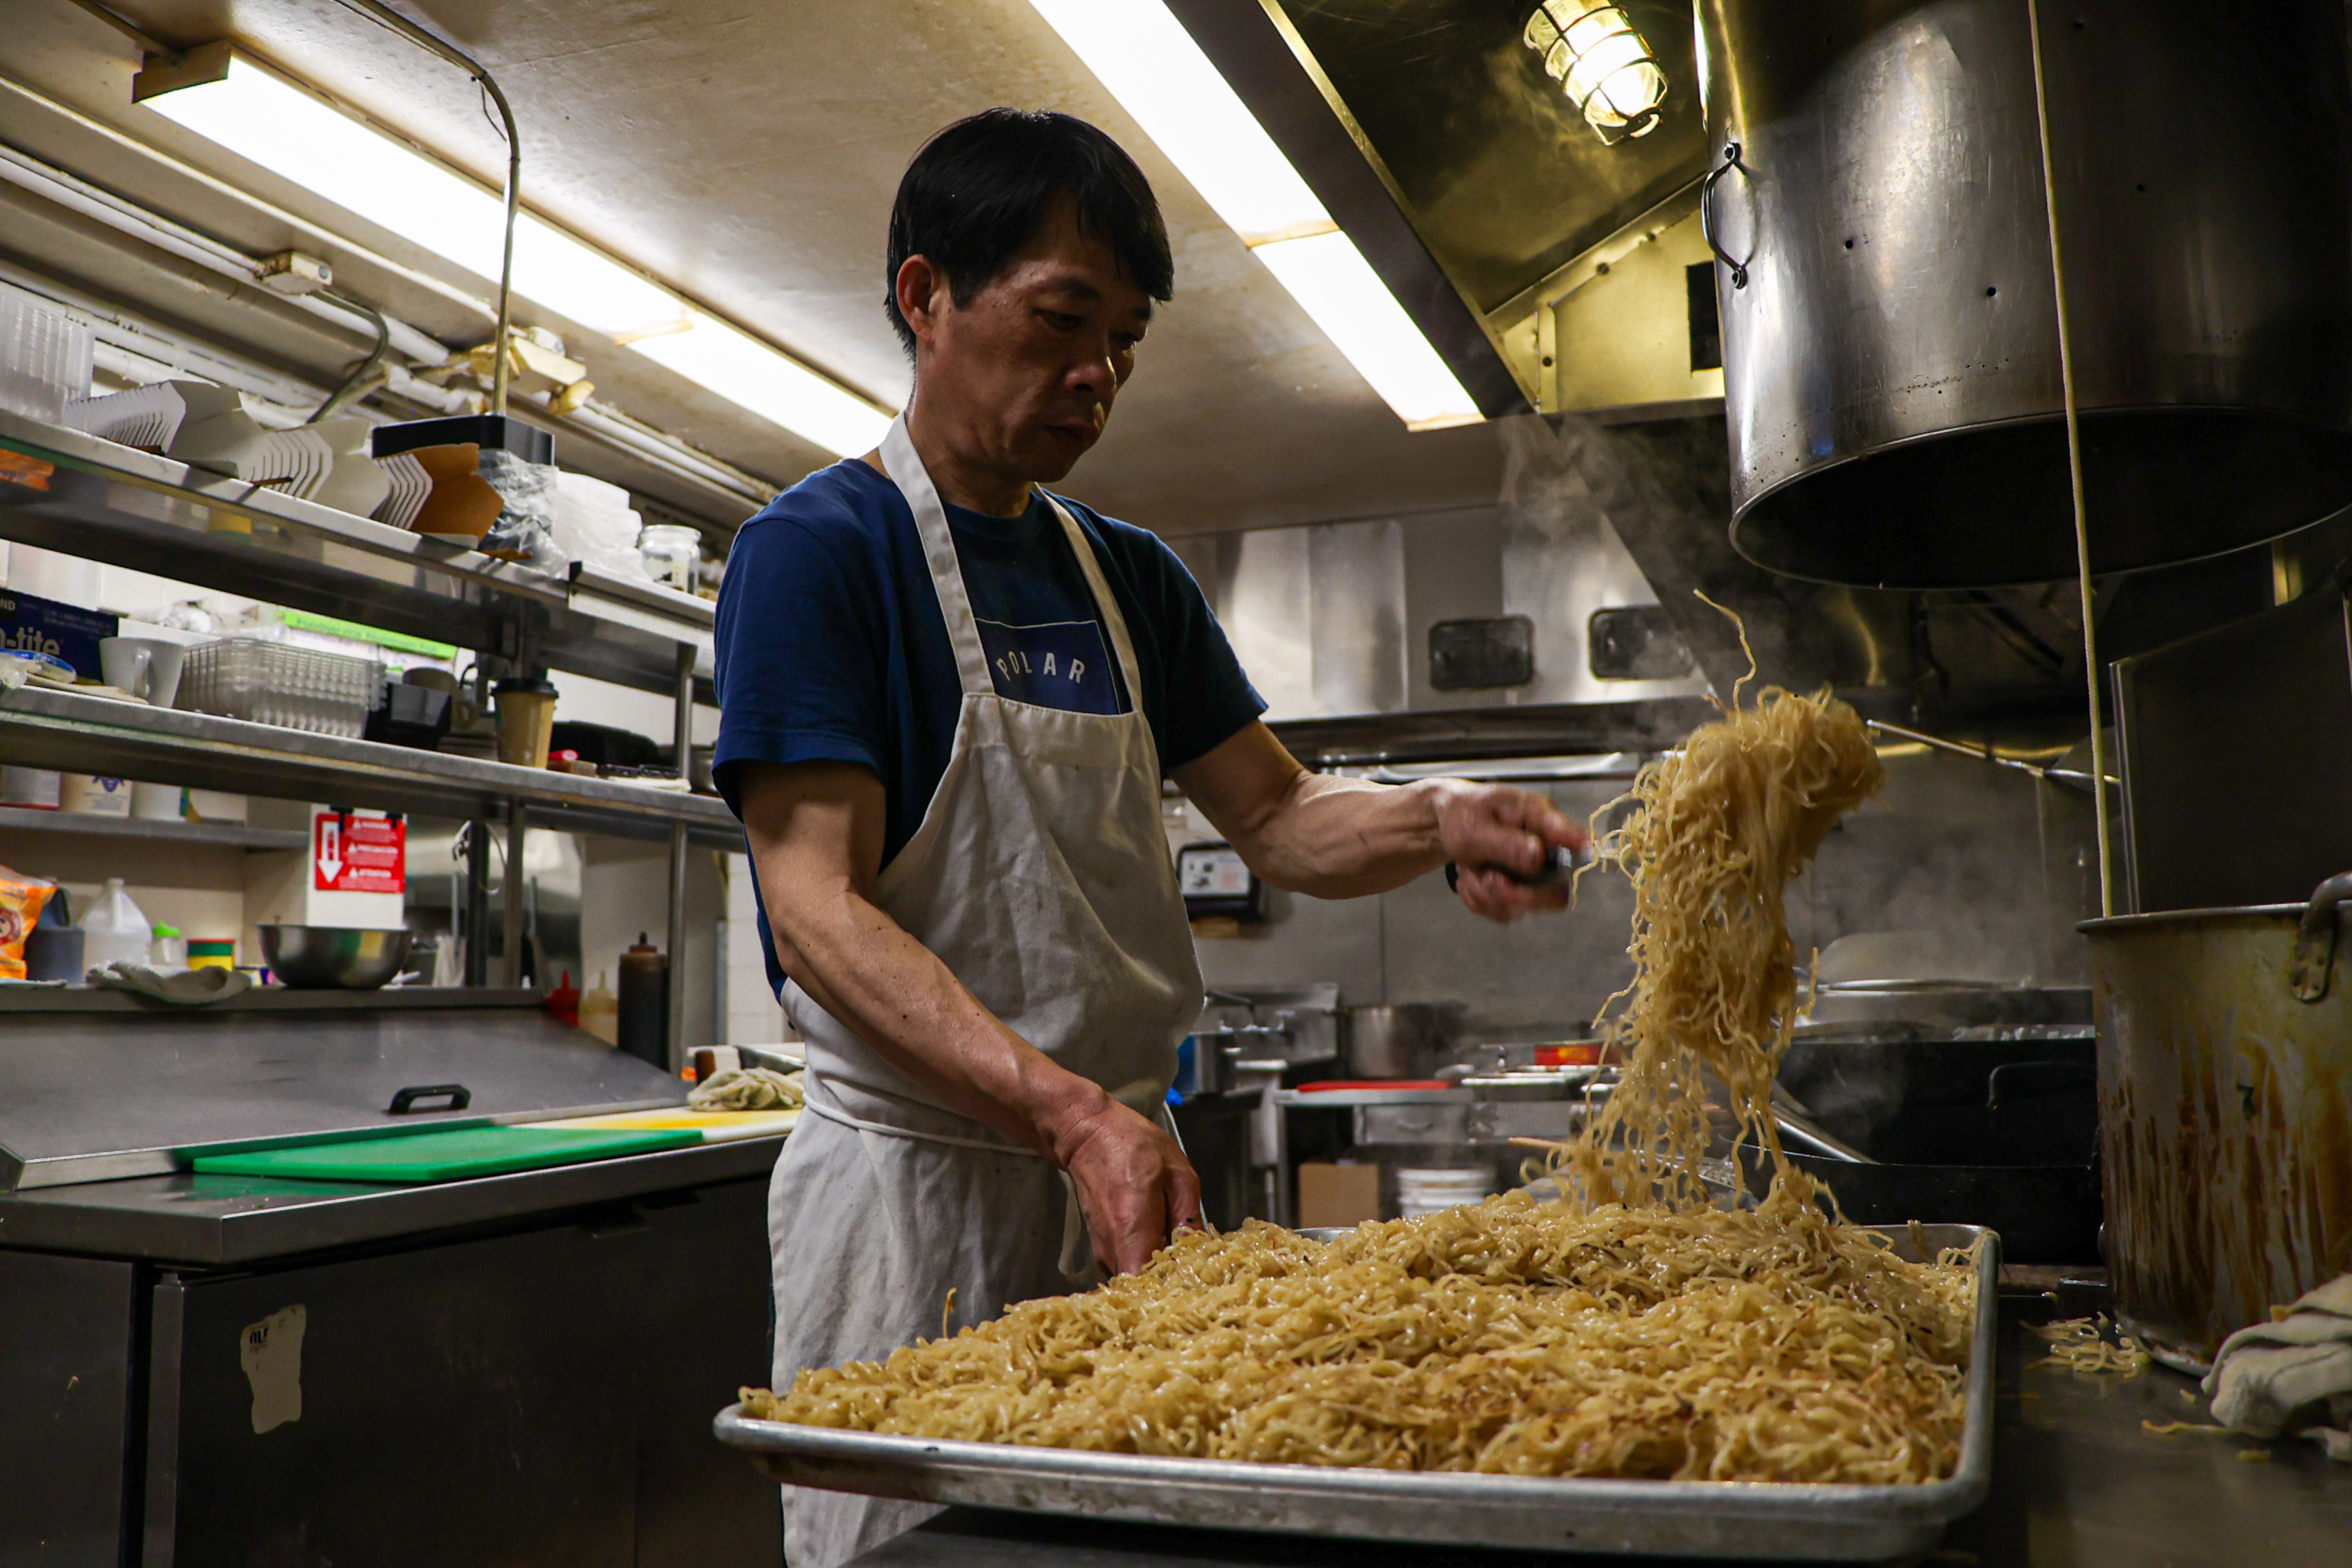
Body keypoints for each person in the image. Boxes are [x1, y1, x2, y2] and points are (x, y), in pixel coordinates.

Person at [712, 108, 1586, 1567]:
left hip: (1123, 1181)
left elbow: (1284, 815)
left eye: (1126, 338)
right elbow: (815, 909)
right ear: (927, 297)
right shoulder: (820, 552)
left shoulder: (1129, 578)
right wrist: (1063, 1110)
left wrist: (1441, 818)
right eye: (1064, 319)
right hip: (919, 1198)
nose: (1096, 373)